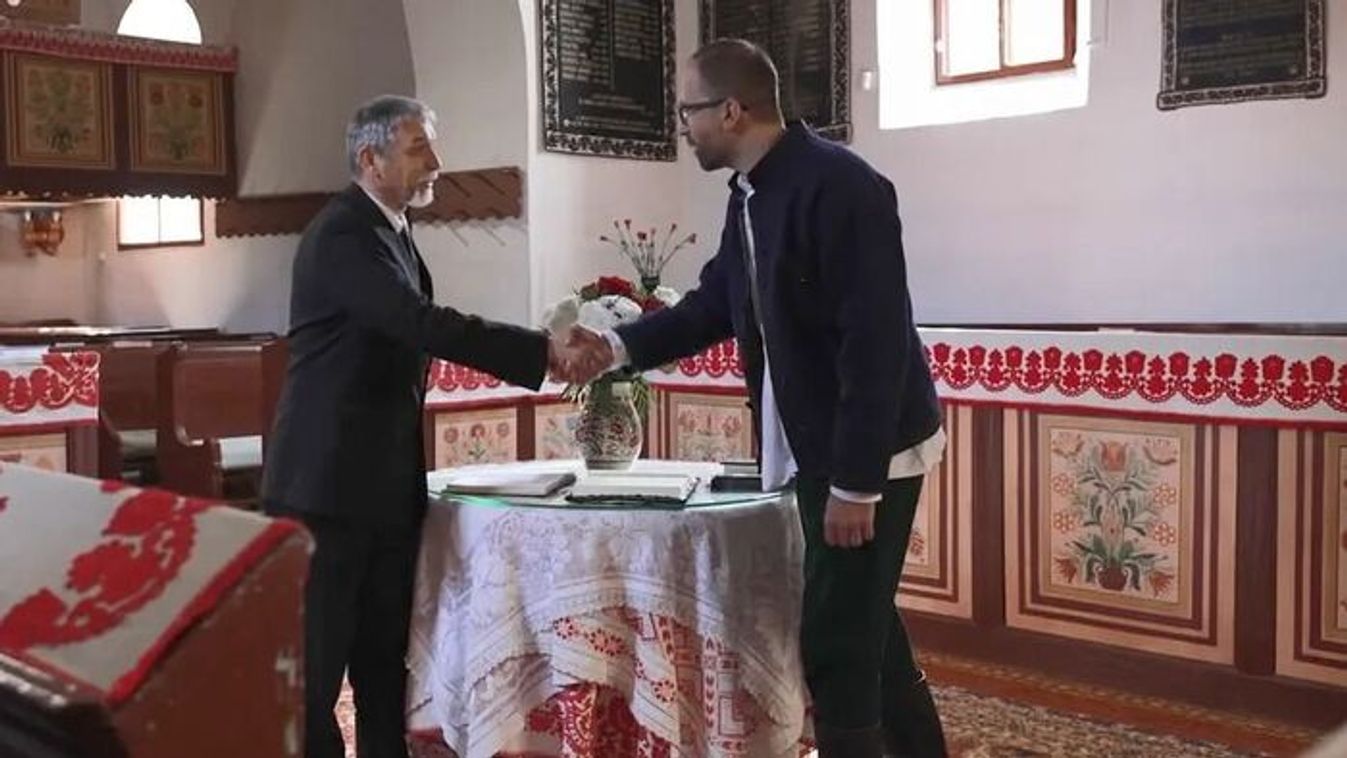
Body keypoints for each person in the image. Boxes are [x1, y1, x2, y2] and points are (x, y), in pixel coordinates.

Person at [565, 40, 949, 757]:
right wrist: (614, 348)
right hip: (818, 449)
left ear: (731, 111)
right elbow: (715, 303)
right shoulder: (751, 191)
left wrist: (855, 485)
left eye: (688, 111)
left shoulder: (842, 186)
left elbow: (875, 342)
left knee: (837, 648)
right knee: (865, 626)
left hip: (871, 455)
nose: (683, 127)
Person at [262, 95, 584, 758]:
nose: (436, 163)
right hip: (325, 489)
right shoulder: (343, 234)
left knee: (384, 668)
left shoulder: (391, 229)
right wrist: (540, 352)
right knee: (314, 680)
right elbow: (417, 322)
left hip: (378, 486)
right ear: (370, 159)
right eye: (418, 149)